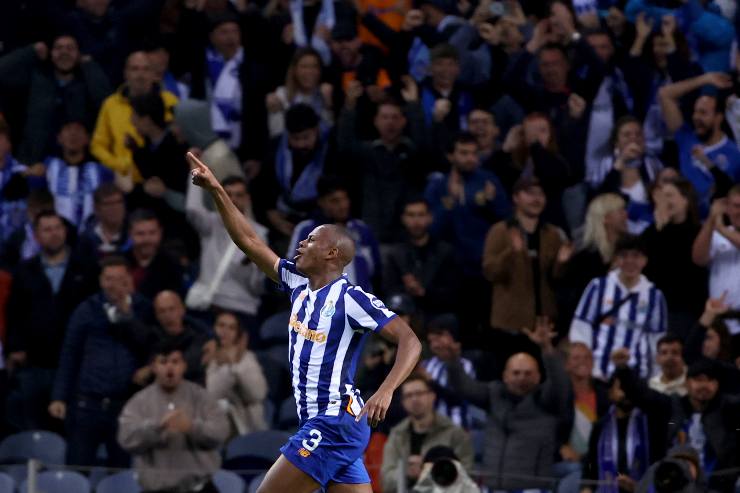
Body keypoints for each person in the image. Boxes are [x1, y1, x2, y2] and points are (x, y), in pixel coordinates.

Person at [189, 152, 421, 493]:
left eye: (311, 239)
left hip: (333, 422)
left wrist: (386, 390)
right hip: (325, 422)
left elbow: (410, 340)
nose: (301, 243)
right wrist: (216, 190)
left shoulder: (352, 299)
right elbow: (249, 241)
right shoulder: (297, 283)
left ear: (331, 254)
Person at [435, 320, 571, 491]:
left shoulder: (547, 401)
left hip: (532, 489)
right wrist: (453, 362)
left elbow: (560, 383)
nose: (521, 378)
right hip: (493, 488)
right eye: (516, 373)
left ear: (538, 377)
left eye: (528, 373)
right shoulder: (494, 394)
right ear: (505, 376)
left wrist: (547, 349)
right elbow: (464, 387)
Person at [49, 255, 154, 467]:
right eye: (108, 279)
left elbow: (152, 344)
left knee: (122, 472)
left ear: (129, 279)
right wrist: (59, 397)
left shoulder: (143, 308)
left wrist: (127, 315)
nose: (114, 285)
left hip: (126, 406)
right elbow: (70, 354)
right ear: (100, 281)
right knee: (77, 468)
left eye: (120, 279)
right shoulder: (86, 310)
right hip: (87, 405)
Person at [4, 211, 96, 430]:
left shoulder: (87, 268)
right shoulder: (24, 270)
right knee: (33, 426)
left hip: (76, 364)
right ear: (37, 236)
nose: (54, 233)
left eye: (57, 228)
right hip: (34, 363)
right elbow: (14, 313)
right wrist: (15, 348)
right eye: (47, 229)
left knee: (72, 426)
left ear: (65, 231)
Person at [425, 132, 511, 341]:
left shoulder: (488, 181)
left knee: (489, 325)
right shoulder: (438, 186)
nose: (470, 158)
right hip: (451, 268)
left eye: (474, 153)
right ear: (451, 156)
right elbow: (431, 229)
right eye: (464, 153)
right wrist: (449, 203)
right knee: (460, 326)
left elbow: (507, 219)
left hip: (483, 265)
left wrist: (491, 202)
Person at [615, 356, 740, 492]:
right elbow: (642, 395)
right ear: (687, 383)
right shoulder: (672, 406)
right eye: (699, 380)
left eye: (710, 380)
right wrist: (623, 369)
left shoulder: (729, 410)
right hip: (672, 486)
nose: (704, 385)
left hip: (718, 487)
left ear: (717, 385)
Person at [118, 341, 230, 493]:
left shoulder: (201, 397)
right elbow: (126, 438)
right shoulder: (139, 402)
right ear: (153, 367)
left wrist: (191, 427)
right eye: (163, 362)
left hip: (199, 489)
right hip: (156, 490)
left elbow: (220, 432)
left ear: (184, 365)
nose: (170, 367)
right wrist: (156, 428)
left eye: (175, 362)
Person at [336, 78, 427, 243]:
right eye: (384, 117)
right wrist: (349, 107)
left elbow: (424, 147)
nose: (390, 122)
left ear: (403, 121)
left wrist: (413, 105)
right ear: (376, 121)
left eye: (395, 117)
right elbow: (344, 146)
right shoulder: (367, 152)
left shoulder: (411, 151)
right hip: (373, 228)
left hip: (404, 232)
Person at [482, 176, 571, 338]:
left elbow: (557, 279)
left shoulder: (552, 234)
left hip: (545, 322)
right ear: (516, 197)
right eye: (530, 193)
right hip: (510, 323)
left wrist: (561, 263)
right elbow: (490, 272)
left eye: (540, 194)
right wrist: (511, 253)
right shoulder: (500, 231)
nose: (536, 199)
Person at [569, 234, 667, 380]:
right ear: (616, 259)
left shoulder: (654, 296)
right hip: (598, 373)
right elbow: (581, 328)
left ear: (645, 260)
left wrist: (656, 377)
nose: (630, 261)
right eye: (624, 255)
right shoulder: (598, 287)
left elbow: (657, 340)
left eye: (636, 256)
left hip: (637, 375)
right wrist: (587, 368)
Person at [0, 34, 110, 164]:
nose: (64, 52)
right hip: (34, 163)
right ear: (50, 53)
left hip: (78, 165)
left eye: (70, 48)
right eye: (59, 48)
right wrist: (29, 52)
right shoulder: (36, 80)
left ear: (79, 54)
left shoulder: (87, 84)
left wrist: (89, 66)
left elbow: (107, 103)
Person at [185, 175, 266, 330]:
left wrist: (253, 267)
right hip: (206, 305)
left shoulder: (259, 235)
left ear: (247, 199)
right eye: (228, 194)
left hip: (240, 309)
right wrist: (193, 172)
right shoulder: (210, 224)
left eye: (238, 195)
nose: (233, 199)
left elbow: (257, 288)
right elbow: (192, 210)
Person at [91, 51, 178, 190]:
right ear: (126, 73)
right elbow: (98, 145)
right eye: (135, 69)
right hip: (125, 181)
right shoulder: (110, 104)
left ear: (154, 73)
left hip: (162, 181)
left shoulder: (170, 101)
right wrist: (119, 164)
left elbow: (179, 141)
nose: (140, 74)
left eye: (146, 69)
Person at [658, 72, 740, 212]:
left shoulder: (735, 154)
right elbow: (665, 94)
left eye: (703, 113)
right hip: (685, 218)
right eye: (695, 112)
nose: (696, 117)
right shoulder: (686, 138)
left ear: (718, 117)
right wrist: (705, 79)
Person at [380, 375, 473, 493]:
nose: (414, 399)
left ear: (432, 396)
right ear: (403, 402)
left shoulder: (455, 434)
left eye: (419, 393)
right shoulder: (397, 435)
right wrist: (406, 473)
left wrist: (430, 472)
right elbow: (385, 481)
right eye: (408, 395)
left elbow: (466, 478)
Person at [287, 177, 381, 291]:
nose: (343, 206)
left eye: (345, 199)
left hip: (359, 299)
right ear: (321, 202)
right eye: (335, 201)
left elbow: (376, 271)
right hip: (321, 299)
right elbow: (292, 270)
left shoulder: (362, 230)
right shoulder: (306, 229)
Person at [642, 178, 707, 338]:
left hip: (685, 309)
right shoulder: (651, 232)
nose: (664, 202)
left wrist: (662, 230)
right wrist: (659, 228)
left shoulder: (698, 232)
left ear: (685, 200)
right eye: (661, 197)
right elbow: (645, 266)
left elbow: (682, 266)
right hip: (653, 308)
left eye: (669, 195)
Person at [383, 197, 458, 316]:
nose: (416, 221)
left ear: (430, 217)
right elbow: (388, 290)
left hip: (437, 315)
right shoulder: (395, 253)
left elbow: (453, 292)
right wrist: (407, 289)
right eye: (411, 215)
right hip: (404, 315)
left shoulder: (445, 252)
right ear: (403, 218)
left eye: (421, 215)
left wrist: (423, 292)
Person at [590, 116, 663, 234]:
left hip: (649, 229)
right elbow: (598, 199)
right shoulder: (605, 164)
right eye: (627, 135)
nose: (633, 138)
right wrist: (622, 160)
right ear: (616, 143)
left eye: (638, 134)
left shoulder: (653, 164)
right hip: (613, 230)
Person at [39, 120, 114, 230]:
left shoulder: (101, 171)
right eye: (68, 129)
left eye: (78, 130)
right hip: (56, 232)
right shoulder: (47, 168)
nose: (73, 134)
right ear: (59, 138)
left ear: (87, 139)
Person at [206, 311, 268, 437]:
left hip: (248, 426)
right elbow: (211, 393)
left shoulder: (247, 358)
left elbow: (258, 394)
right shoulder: (206, 357)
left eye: (231, 328)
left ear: (238, 334)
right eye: (221, 325)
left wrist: (234, 365)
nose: (225, 331)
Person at [692, 185, 740, 335]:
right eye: (736, 206)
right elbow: (698, 258)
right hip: (719, 323)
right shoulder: (717, 236)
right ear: (728, 208)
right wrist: (711, 219)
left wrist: (721, 228)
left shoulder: (721, 231)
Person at [146, 290, 214, 385]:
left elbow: (190, 365)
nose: (167, 315)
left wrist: (152, 369)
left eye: (171, 309)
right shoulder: (151, 338)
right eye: (162, 311)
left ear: (182, 310)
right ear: (156, 315)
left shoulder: (198, 337)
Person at [420, 314, 476, 428]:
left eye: (439, 338)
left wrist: (431, 383)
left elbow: (459, 398)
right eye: (432, 340)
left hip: (457, 427)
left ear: (452, 337)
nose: (435, 344)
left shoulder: (465, 365)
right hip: (428, 429)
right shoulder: (425, 365)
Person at [266, 48, 334, 138]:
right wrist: (275, 112)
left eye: (314, 66)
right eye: (304, 67)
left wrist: (328, 106)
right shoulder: (281, 95)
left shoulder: (325, 93)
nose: (310, 71)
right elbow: (277, 135)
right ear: (294, 70)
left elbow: (330, 133)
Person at [125, 209, 184, 299]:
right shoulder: (120, 263)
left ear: (160, 233)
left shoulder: (172, 266)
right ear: (130, 234)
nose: (147, 239)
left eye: (152, 233)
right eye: (140, 234)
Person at [76, 183, 131, 259]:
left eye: (119, 202)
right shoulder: (85, 241)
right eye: (108, 204)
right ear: (96, 209)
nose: (115, 208)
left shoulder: (134, 235)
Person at [411, 446, 480, 493]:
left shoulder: (467, 486)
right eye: (437, 470)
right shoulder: (425, 487)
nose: (443, 473)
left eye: (448, 471)